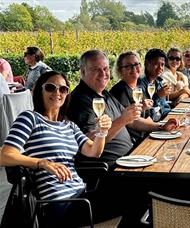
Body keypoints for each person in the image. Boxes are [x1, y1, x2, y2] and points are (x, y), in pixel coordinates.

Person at [0, 70, 113, 227]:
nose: (57, 92)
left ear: (67, 93)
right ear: (40, 90)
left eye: (63, 89)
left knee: (133, 188)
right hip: (60, 205)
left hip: (81, 197)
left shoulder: (69, 126)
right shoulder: (30, 118)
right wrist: (42, 163)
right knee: (136, 190)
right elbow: (4, 155)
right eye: (50, 87)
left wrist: (102, 132)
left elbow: (94, 151)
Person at [67, 49, 178, 165]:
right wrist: (122, 120)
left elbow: (132, 122)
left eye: (105, 69)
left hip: (130, 156)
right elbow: (90, 141)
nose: (103, 73)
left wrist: (161, 127)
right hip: (112, 168)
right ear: (83, 72)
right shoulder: (80, 100)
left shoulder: (105, 94)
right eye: (96, 69)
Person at [110, 51, 178, 144]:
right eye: (128, 66)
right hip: (134, 142)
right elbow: (131, 122)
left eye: (136, 64)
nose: (134, 68)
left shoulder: (138, 89)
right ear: (120, 71)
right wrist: (161, 127)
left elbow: (149, 117)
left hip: (147, 136)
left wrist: (161, 127)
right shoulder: (120, 91)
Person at [138, 48, 172, 120]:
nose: (160, 68)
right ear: (146, 64)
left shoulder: (159, 83)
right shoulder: (140, 84)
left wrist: (173, 114)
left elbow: (164, 109)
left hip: (162, 121)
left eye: (162, 65)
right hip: (150, 126)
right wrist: (157, 96)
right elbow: (145, 113)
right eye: (156, 64)